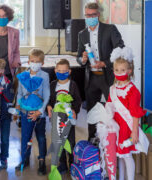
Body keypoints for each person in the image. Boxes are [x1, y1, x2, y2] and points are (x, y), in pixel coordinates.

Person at [76, 2, 124, 141]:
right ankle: (92, 138)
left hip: (108, 76)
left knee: (114, 107)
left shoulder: (110, 29)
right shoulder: (82, 34)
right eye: (87, 15)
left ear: (98, 15)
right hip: (91, 77)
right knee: (91, 110)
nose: (90, 17)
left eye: (93, 15)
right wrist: (83, 59)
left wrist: (104, 63)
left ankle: (117, 138)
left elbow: (120, 49)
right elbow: (79, 56)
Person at [105, 47, 148, 180]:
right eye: (116, 70)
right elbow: (109, 106)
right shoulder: (113, 88)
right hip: (115, 125)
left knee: (127, 156)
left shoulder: (133, 90)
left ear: (129, 71)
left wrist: (134, 131)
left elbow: (135, 113)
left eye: (122, 70)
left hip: (127, 127)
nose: (119, 73)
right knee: (120, 156)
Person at [15, 48, 50, 176]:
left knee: (41, 136)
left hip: (39, 112)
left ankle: (41, 160)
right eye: (32, 61)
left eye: (38, 61)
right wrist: (18, 107)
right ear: (28, 61)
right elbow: (19, 93)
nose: (35, 63)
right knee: (26, 136)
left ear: (42, 63)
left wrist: (40, 111)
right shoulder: (23, 75)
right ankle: (24, 158)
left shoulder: (44, 76)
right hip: (25, 111)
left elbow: (46, 95)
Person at [47, 59, 81, 174]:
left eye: (65, 71)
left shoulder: (73, 85)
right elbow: (49, 100)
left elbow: (78, 100)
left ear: (69, 71)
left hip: (69, 118)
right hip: (56, 118)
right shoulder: (52, 85)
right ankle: (62, 164)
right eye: (59, 71)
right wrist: (48, 106)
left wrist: (74, 110)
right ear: (55, 70)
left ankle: (72, 162)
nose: (62, 73)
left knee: (70, 141)